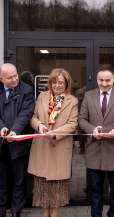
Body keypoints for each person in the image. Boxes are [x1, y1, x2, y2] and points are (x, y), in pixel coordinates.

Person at [79, 65, 114, 217]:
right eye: (101, 80)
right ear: (96, 79)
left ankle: (113, 214)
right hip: (94, 149)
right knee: (95, 188)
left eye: (107, 80)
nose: (104, 83)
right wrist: (92, 130)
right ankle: (96, 215)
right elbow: (82, 119)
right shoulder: (89, 95)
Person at [0, 63, 35, 217]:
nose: (15, 79)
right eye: (10, 77)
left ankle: (16, 212)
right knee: (0, 182)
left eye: (15, 75)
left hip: (19, 145)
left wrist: (14, 130)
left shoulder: (27, 90)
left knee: (19, 181)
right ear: (1, 79)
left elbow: (26, 114)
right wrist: (1, 127)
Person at [27, 68, 78, 217]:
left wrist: (55, 134)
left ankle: (54, 213)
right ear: (50, 83)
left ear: (66, 84)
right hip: (41, 145)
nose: (57, 85)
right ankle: (45, 213)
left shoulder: (72, 100)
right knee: (42, 182)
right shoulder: (42, 96)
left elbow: (73, 123)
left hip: (60, 145)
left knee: (58, 184)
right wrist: (39, 126)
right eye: (54, 82)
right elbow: (33, 117)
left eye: (60, 82)